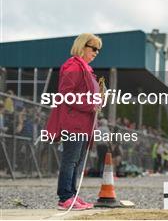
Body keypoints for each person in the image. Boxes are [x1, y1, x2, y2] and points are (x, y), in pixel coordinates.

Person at [45, 33, 102, 210]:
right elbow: (66, 94)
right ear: (83, 46)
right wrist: (90, 104)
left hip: (83, 123)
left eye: (98, 50)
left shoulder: (86, 69)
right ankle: (65, 197)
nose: (96, 52)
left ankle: (72, 194)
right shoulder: (73, 66)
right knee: (70, 160)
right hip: (74, 122)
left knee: (76, 161)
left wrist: (98, 100)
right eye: (93, 48)